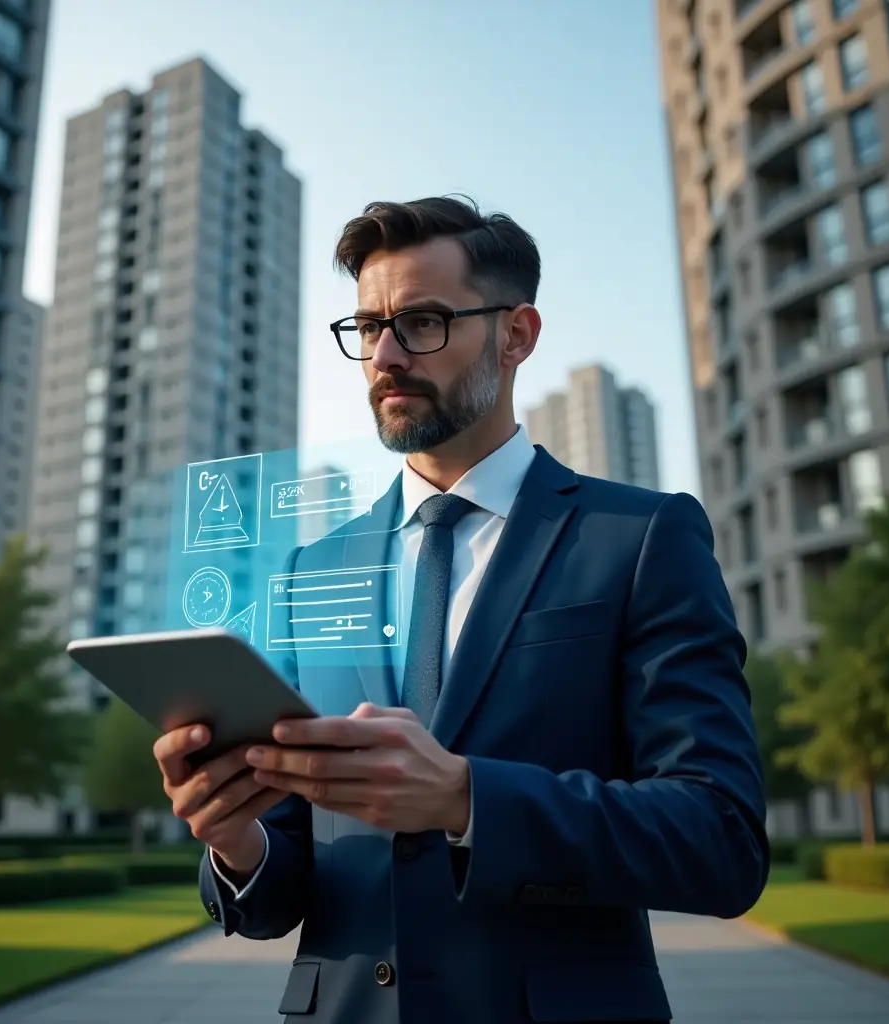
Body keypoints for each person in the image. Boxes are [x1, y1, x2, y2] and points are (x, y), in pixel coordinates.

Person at [153, 195, 769, 1023]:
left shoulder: (641, 537)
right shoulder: (311, 571)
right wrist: (234, 841)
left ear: (516, 335)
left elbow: (719, 838)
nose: (385, 355)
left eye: (424, 322)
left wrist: (466, 798)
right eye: (367, 328)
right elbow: (280, 887)